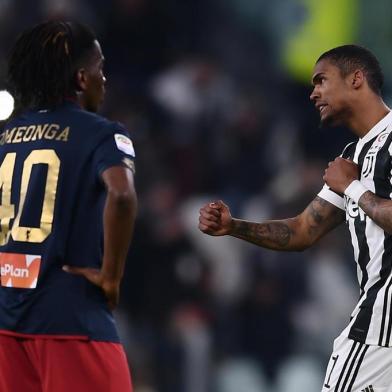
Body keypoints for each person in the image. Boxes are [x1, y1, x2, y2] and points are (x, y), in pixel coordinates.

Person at [199, 44, 392, 391]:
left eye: (322, 80)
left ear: (356, 79)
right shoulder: (354, 155)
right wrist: (233, 226)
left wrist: (351, 187)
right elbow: (302, 230)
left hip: (379, 330)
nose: (313, 92)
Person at [0, 21, 137, 392]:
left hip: (6, 324)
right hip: (72, 322)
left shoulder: (5, 135)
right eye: (99, 69)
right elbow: (122, 196)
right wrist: (111, 276)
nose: (104, 80)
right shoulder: (102, 132)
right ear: (80, 79)